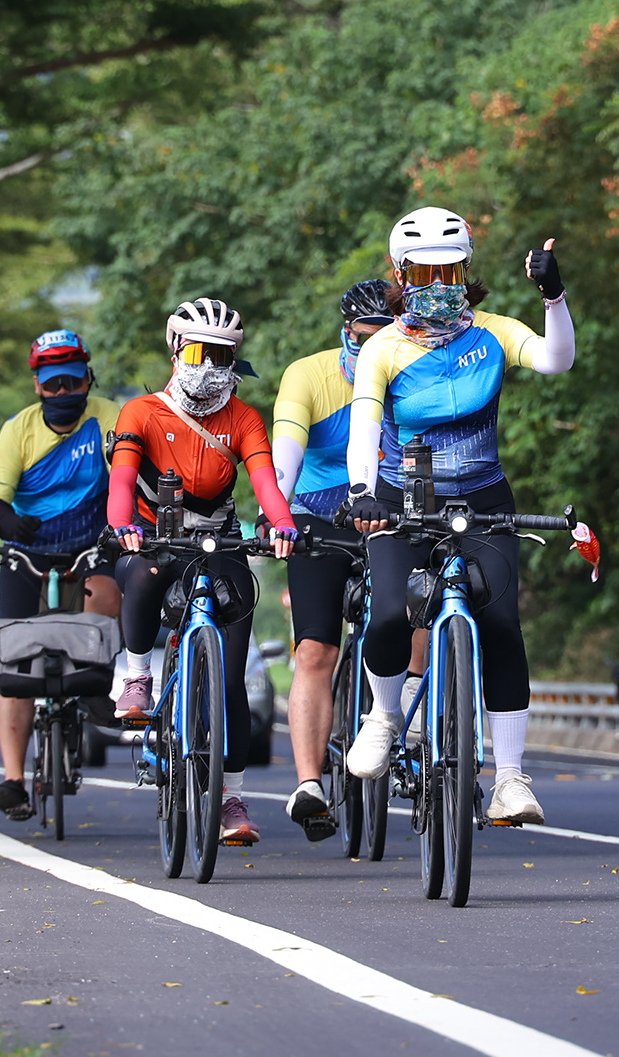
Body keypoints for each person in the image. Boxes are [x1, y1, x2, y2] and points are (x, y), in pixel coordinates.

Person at [342, 207, 576, 827]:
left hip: (484, 500)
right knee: (388, 614)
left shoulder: (494, 333)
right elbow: (364, 429)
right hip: (402, 501)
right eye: (424, 273)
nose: (438, 285)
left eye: (449, 272)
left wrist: (553, 296)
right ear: (400, 274)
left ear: (466, 270)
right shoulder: (383, 348)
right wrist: (362, 491)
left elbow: (556, 360)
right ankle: (385, 716)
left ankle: (509, 778)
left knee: (501, 627)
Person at [107, 298, 299, 846]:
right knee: (143, 575)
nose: (210, 367)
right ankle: (138, 676)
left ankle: (231, 796)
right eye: (198, 353)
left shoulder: (244, 418)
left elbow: (265, 483)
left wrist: (281, 524)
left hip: (219, 540)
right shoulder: (141, 412)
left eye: (222, 356)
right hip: (152, 536)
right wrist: (123, 525)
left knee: (232, 680)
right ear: (175, 352)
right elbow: (121, 482)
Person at [0, 328, 123, 821]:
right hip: (27, 553)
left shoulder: (108, 416)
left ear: (88, 379)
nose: (64, 392)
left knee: (106, 595)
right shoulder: (17, 429)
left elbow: (127, 474)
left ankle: (96, 687)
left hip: (91, 545)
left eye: (73, 382)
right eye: (54, 384)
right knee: (15, 665)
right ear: (38, 386)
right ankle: (13, 780)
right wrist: (8, 523)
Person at [272, 280, 393, 837]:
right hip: (318, 519)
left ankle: (412, 725)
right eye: (363, 337)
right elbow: (286, 449)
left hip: (389, 514)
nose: (372, 349)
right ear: (346, 331)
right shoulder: (309, 374)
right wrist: (277, 510)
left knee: (413, 614)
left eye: (385, 336)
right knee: (316, 650)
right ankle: (309, 783)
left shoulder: (412, 369)